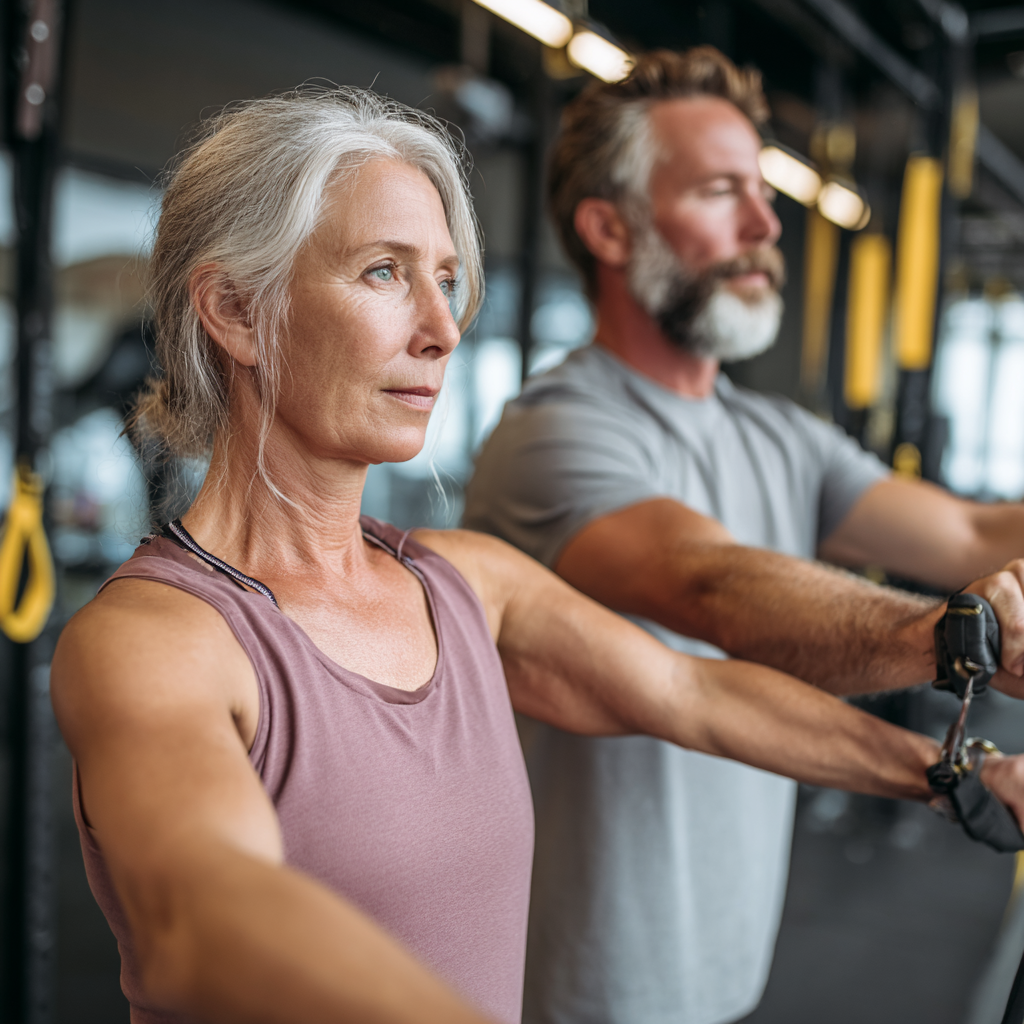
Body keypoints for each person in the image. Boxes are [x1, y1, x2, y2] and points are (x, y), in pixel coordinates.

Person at [53, 86, 1024, 1024]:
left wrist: (948, 773)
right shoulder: (155, 639)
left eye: (445, 279)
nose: (441, 330)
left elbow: (695, 695)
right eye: (384, 271)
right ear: (232, 310)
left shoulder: (464, 582)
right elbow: (202, 915)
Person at [463, 47, 1024, 1024]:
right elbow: (714, 589)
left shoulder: (774, 433)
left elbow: (970, 527)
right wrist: (965, 638)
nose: (766, 226)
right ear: (608, 225)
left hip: (722, 969)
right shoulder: (553, 432)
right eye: (724, 192)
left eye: (761, 194)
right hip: (571, 986)